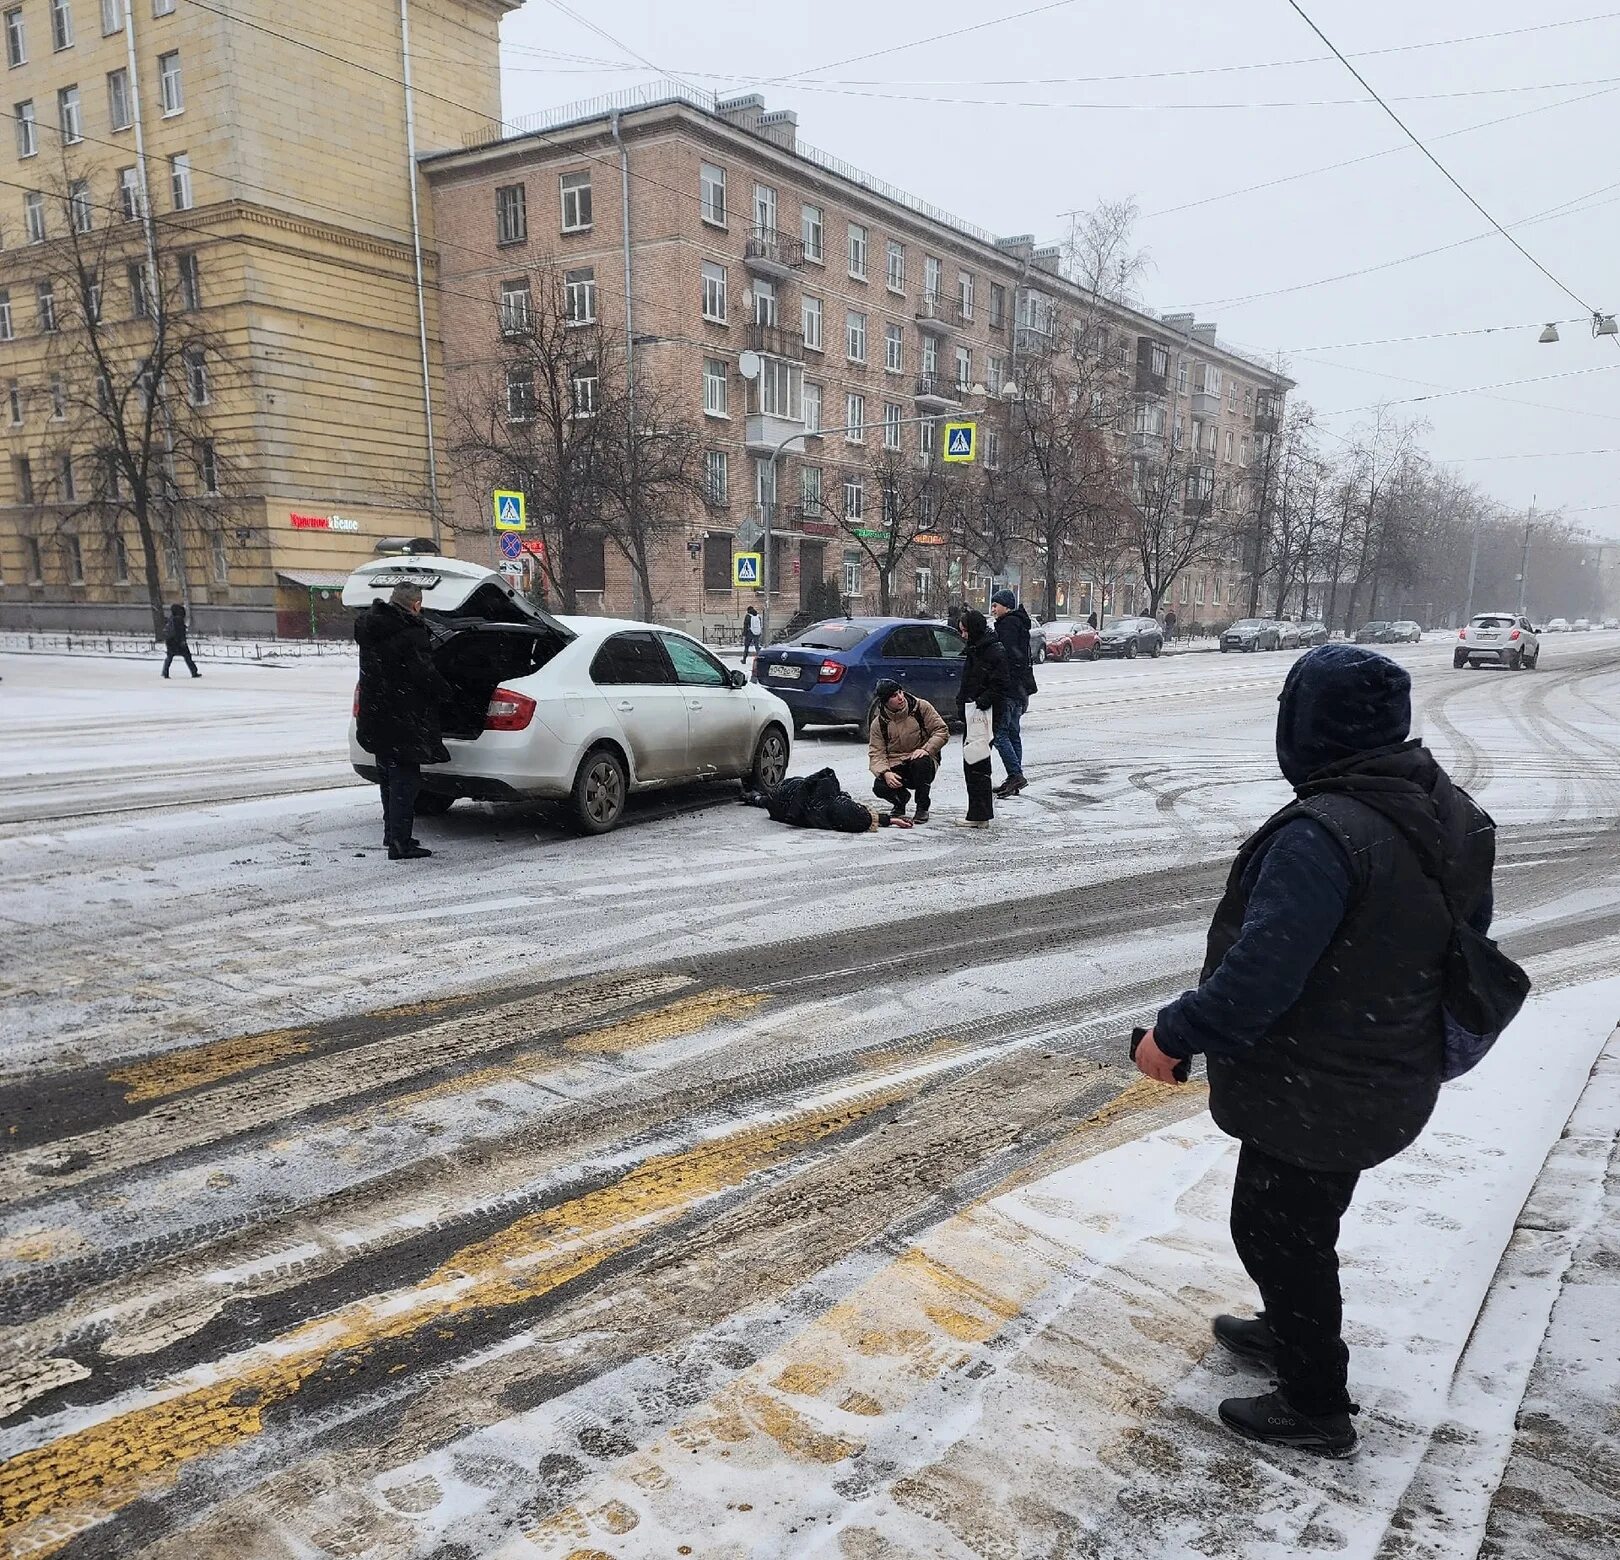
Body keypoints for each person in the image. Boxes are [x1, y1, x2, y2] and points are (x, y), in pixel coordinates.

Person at [1133, 645, 1496, 1458]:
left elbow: (1257, 977)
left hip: (1319, 1080)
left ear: (1306, 728)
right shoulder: (1451, 811)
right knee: (1300, 1220)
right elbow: (1461, 939)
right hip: (1386, 1064)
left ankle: (1314, 1401)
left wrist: (1172, 1036)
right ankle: (1287, 1327)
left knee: (1272, 1229)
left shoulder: (1323, 835)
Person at [354, 582, 453, 861]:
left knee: (388, 777)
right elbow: (424, 674)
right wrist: (447, 692)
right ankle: (401, 843)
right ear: (416, 604)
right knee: (405, 782)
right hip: (404, 718)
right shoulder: (411, 632)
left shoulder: (371, 628)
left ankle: (392, 834)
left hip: (377, 713)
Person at [868, 677, 948, 823]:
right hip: (897, 763)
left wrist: (927, 749)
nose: (900, 698)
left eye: (900, 692)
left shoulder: (921, 707)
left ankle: (922, 807)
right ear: (885, 702)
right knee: (879, 786)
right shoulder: (878, 723)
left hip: (922, 759)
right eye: (894, 696)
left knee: (921, 763)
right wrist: (885, 773)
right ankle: (900, 801)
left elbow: (941, 731)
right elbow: (876, 753)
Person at [956, 609, 1009, 829]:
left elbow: (1000, 684)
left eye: (965, 630)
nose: (963, 635)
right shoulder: (978, 648)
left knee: (976, 763)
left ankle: (979, 815)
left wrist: (980, 702)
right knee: (974, 763)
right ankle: (978, 813)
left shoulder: (992, 651)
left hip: (983, 716)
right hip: (975, 713)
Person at [742, 767, 912, 832]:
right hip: (779, 805)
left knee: (771, 797)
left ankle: (756, 798)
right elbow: (859, 818)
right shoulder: (825, 821)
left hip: (786, 793)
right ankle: (756, 798)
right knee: (768, 800)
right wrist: (890, 820)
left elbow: (812, 780)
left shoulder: (828, 789)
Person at [989, 589, 1036, 797]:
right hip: (1019, 688)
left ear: (1006, 606)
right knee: (1013, 733)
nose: (992, 609)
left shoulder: (1007, 626)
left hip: (1008, 688)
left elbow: (1005, 657)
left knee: (1000, 734)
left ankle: (1015, 775)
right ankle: (1014, 778)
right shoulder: (1019, 624)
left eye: (996, 605)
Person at [161, 603, 200, 679]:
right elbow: (180, 632)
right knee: (187, 657)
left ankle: (165, 672)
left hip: (170, 642)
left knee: (169, 657)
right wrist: (182, 641)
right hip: (178, 642)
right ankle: (194, 672)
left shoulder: (171, 618)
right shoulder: (178, 620)